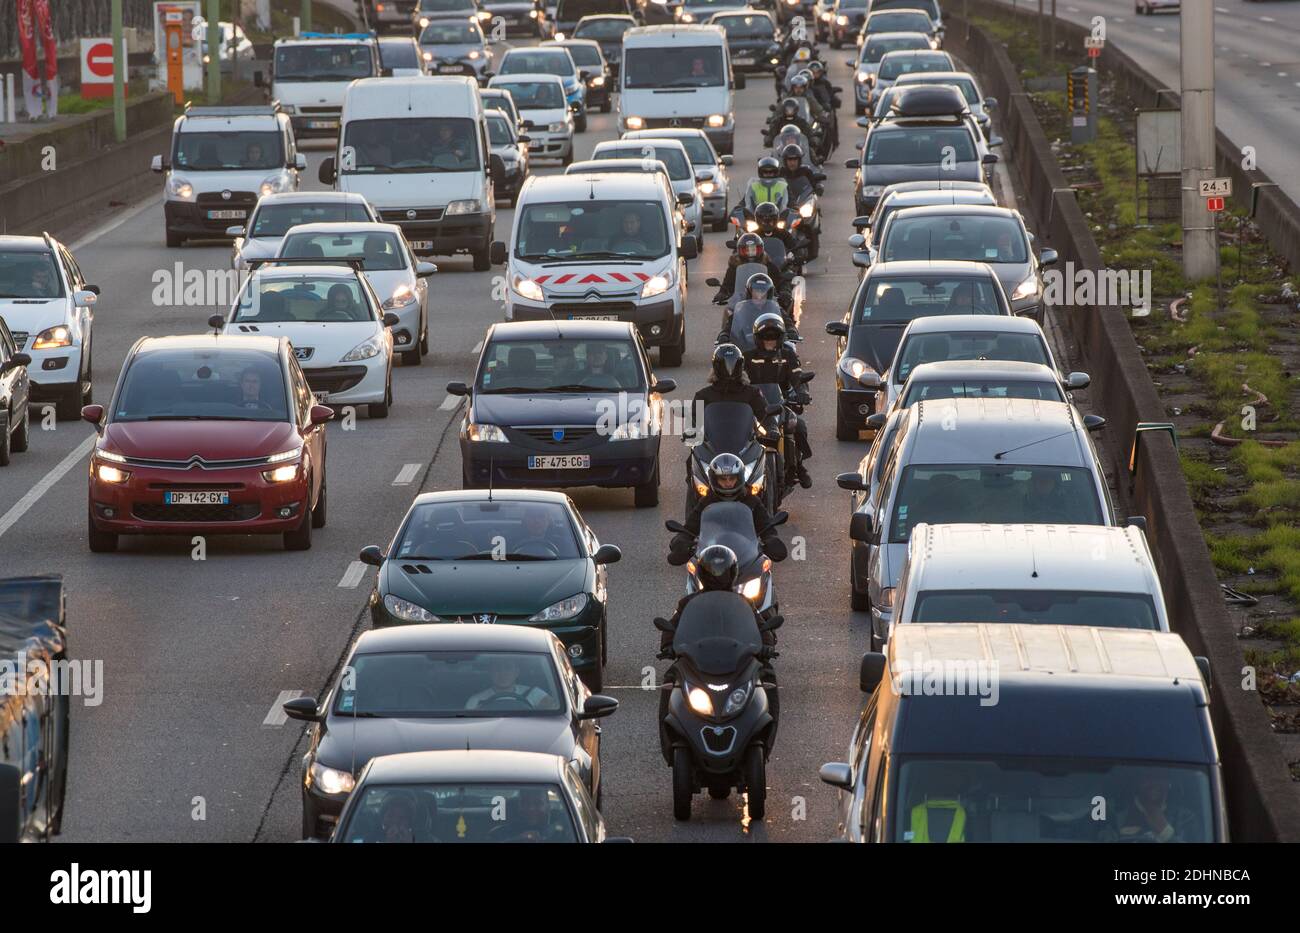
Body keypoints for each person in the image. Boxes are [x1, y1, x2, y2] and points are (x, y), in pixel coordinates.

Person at [655, 545, 779, 747]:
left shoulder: (745, 603)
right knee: (670, 678)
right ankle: (668, 738)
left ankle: (766, 734)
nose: (717, 576)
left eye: (721, 571)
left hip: (736, 662)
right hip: (697, 662)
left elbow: (762, 628)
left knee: (768, 675)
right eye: (714, 571)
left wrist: (766, 646)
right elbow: (672, 626)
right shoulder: (687, 603)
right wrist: (668, 646)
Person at [670, 452, 787, 563]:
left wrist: (771, 540)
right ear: (714, 479)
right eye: (723, 479)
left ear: (740, 478)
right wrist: (681, 541)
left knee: (765, 578)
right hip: (712, 557)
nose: (728, 483)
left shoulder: (751, 500)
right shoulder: (707, 501)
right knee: (693, 579)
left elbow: (766, 528)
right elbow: (690, 528)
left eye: (732, 478)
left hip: (746, 557)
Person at [745, 313, 812, 488]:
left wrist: (802, 392)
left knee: (798, 425)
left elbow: (797, 376)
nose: (770, 340)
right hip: (754, 408)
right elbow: (739, 380)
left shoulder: (788, 355)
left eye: (774, 336)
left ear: (780, 338)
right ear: (758, 338)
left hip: (781, 404)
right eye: (766, 337)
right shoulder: (746, 358)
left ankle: (798, 466)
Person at [1104, 771, 1201, 843]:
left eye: (1161, 777)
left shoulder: (1185, 818)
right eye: (1148, 776)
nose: (1155, 783)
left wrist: (1165, 831)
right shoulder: (1111, 814)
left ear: (1168, 784)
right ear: (1138, 782)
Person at [693, 343, 767, 422]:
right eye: (724, 365)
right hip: (713, 434)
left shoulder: (753, 394)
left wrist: (773, 429)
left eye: (733, 364)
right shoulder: (703, 396)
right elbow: (694, 423)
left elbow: (766, 416)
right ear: (716, 366)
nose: (729, 369)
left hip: (746, 434)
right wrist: (691, 431)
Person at [713, 232, 787, 305]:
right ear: (739, 250)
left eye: (754, 250)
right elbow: (727, 284)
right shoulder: (734, 267)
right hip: (741, 303)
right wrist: (722, 293)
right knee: (729, 314)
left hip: (766, 302)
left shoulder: (769, 265)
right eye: (746, 250)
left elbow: (780, 282)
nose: (750, 253)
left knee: (782, 313)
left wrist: (784, 292)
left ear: (761, 249)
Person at [465, 656, 558, 710]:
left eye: (508, 668)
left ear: (517, 672)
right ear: (490, 672)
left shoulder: (534, 693)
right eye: (497, 668)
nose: (502, 673)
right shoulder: (477, 700)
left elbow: (554, 711)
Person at [718, 273, 782, 347]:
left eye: (763, 291)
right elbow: (731, 324)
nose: (759, 296)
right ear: (750, 292)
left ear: (769, 294)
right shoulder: (742, 309)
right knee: (724, 353)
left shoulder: (774, 307)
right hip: (747, 348)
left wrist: (791, 330)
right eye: (757, 291)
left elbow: (786, 321)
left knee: (790, 350)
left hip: (772, 347)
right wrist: (724, 334)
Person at [489, 787, 561, 843]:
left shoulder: (563, 831)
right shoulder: (500, 834)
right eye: (525, 803)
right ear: (518, 806)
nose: (531, 808)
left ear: (548, 806)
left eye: (538, 803)